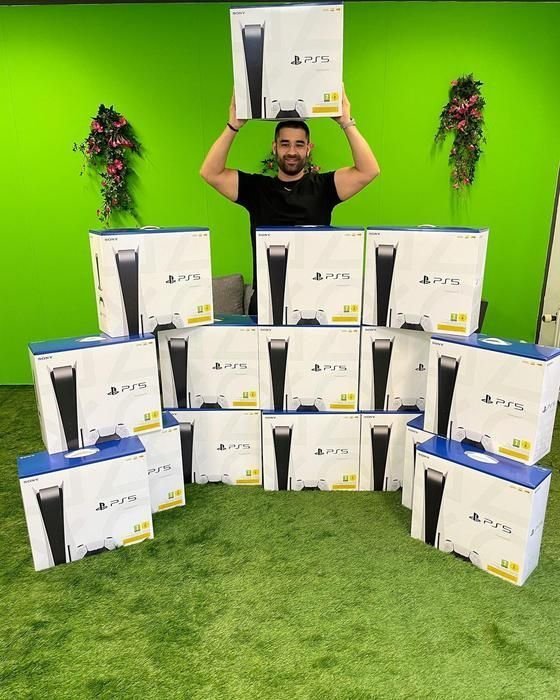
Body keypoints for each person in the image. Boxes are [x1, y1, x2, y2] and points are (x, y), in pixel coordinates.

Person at [200, 89, 380, 315]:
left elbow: (369, 170)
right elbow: (210, 173)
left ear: (308, 148)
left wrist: (346, 122)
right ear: (274, 147)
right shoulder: (256, 189)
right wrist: (233, 126)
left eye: (299, 144)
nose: (292, 151)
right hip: (266, 301)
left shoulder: (324, 187)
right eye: (285, 144)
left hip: (313, 301)